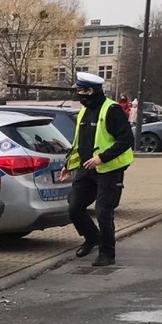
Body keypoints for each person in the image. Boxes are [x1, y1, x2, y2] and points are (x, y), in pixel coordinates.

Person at [66, 71, 135, 266]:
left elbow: (127, 140)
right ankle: (92, 238)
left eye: (81, 91)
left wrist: (102, 158)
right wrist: (68, 165)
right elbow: (80, 142)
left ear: (91, 91)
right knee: (74, 207)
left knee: (104, 212)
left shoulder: (111, 110)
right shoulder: (84, 111)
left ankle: (107, 253)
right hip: (87, 168)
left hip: (109, 169)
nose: (79, 95)